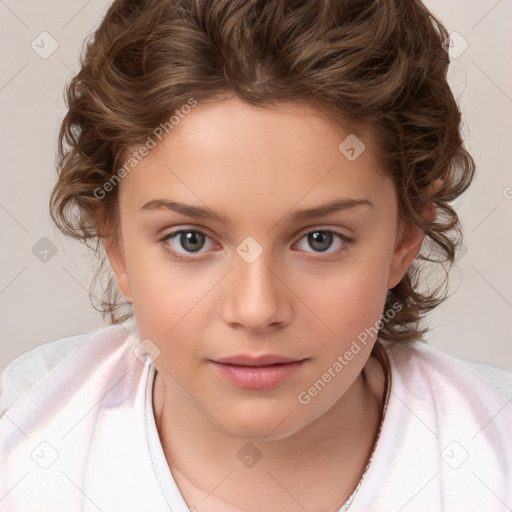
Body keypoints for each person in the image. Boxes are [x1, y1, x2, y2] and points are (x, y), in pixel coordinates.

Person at [1, 0, 511, 510]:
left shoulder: (494, 458)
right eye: (191, 240)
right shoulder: (20, 437)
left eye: (320, 239)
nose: (256, 309)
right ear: (116, 244)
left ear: (405, 236)